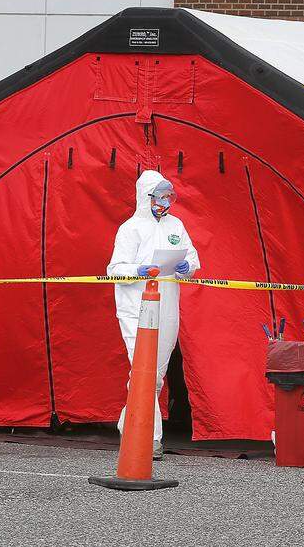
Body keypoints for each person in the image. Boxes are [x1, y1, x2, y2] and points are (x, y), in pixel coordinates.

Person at [106, 170, 200, 460]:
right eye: (160, 196)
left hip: (167, 307)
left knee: (154, 376)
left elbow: (193, 257)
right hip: (136, 309)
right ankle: (150, 438)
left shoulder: (176, 224)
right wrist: (139, 270)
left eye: (168, 196)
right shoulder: (130, 229)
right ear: (146, 198)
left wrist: (187, 267)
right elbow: (114, 270)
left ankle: (129, 424)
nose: (165, 201)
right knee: (144, 371)